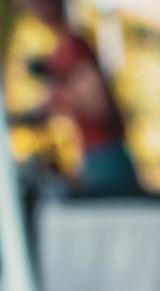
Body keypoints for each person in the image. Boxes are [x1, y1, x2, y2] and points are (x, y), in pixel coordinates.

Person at [11, 0, 141, 199]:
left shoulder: (75, 45)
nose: (32, 12)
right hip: (90, 155)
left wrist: (60, 86)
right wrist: (25, 117)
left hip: (107, 154)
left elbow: (97, 103)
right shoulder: (59, 50)